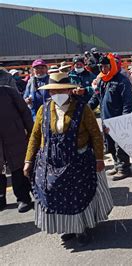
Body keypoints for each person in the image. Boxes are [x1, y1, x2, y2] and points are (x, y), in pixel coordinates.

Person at [23, 72, 113, 246]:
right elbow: (35, 136)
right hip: (50, 161)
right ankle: (68, 228)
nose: (57, 94)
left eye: (62, 90)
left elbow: (95, 135)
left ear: (69, 90)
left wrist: (99, 159)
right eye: (54, 92)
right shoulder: (44, 110)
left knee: (78, 195)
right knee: (55, 195)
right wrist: (28, 161)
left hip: (78, 160)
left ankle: (81, 228)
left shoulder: (82, 108)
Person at [88, 54, 132, 181]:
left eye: (106, 66)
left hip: (118, 120)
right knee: (110, 144)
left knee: (120, 144)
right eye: (101, 67)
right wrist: (87, 108)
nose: (103, 69)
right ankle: (116, 165)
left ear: (112, 65)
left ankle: (124, 169)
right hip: (105, 119)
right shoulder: (102, 80)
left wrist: (125, 119)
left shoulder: (122, 81)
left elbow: (128, 102)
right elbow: (95, 97)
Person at [0, 84, 34, 212]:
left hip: (15, 136)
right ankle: (1, 199)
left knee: (18, 167)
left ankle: (23, 198)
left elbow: (25, 111)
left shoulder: (8, 92)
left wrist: (32, 132)